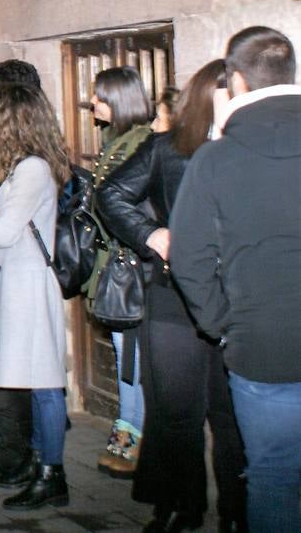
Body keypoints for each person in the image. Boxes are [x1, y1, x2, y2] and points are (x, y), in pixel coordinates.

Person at [99, 60, 246, 532]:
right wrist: (151, 233)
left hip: (237, 299)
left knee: (231, 415)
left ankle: (238, 511)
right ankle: (180, 505)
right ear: (207, 96)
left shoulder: (253, 150)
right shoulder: (167, 148)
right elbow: (111, 194)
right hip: (172, 296)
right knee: (175, 410)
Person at [169, 26, 301, 533]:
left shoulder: (216, 158)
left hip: (263, 348)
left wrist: (222, 325)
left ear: (238, 82)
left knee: (273, 476)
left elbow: (190, 259)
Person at [0, 84, 72, 511]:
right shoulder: (13, 165)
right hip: (12, 284)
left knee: (45, 385)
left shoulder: (32, 169)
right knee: (25, 382)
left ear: (11, 117)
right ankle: (34, 462)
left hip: (29, 286)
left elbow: (4, 230)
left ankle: (53, 474)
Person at [89, 65, 155, 477]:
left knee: (130, 358)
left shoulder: (139, 143)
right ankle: (128, 431)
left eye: (99, 96)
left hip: (129, 268)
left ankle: (131, 438)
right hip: (112, 264)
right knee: (123, 355)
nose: (92, 103)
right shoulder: (114, 140)